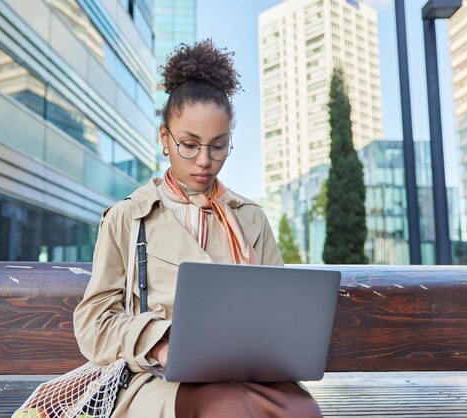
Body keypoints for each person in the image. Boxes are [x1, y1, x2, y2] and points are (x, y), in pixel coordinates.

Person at [73, 39, 322, 418]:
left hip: (247, 370)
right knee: (229, 409)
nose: (204, 161)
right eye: (189, 144)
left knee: (302, 411)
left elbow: (278, 312)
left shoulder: (250, 218)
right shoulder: (129, 217)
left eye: (218, 146)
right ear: (164, 139)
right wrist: (160, 346)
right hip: (158, 377)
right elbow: (95, 321)